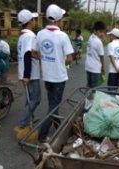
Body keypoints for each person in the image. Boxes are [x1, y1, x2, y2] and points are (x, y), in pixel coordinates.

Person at [33, 4, 73, 142]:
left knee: (52, 103)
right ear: (59, 19)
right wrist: (63, 63)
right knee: (54, 105)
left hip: (47, 76)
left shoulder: (40, 34)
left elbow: (34, 52)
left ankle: (59, 128)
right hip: (59, 76)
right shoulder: (63, 36)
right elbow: (69, 58)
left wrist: (45, 59)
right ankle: (42, 135)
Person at [15, 9, 41, 130]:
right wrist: (27, 75)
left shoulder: (22, 36)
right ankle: (22, 123)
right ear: (30, 21)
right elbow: (27, 54)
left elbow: (29, 53)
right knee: (36, 99)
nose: (35, 21)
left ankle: (30, 118)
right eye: (34, 19)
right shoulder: (30, 36)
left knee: (29, 98)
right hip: (30, 73)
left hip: (24, 71)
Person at [85, 21, 106, 88]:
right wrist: (103, 67)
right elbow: (101, 56)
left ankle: (88, 98)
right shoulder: (98, 42)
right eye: (101, 32)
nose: (102, 33)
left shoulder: (91, 37)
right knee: (95, 88)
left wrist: (101, 38)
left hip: (88, 66)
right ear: (96, 31)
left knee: (89, 85)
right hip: (95, 68)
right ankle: (92, 98)